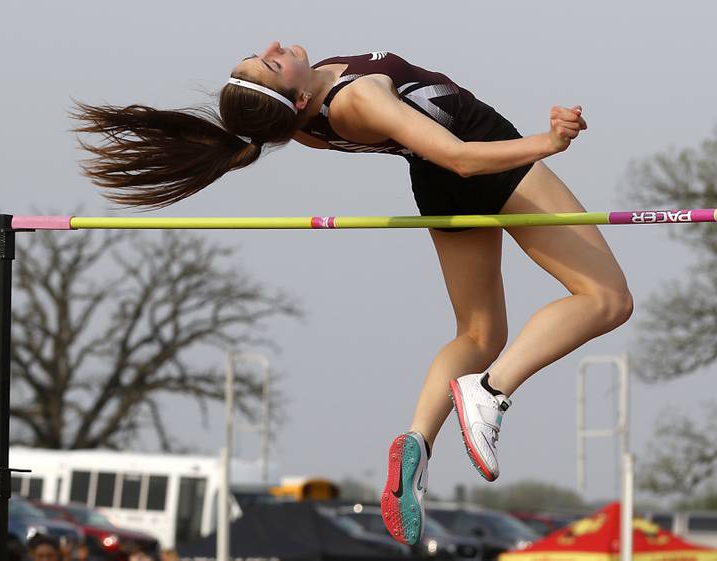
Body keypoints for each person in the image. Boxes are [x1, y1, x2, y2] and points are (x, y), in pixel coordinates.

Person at [73, 42, 632, 546]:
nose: (273, 46)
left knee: (479, 333)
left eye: (258, 54)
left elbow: (428, 154)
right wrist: (549, 142)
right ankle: (491, 391)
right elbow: (460, 156)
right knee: (606, 298)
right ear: (293, 100)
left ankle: (417, 442)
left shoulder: (302, 117)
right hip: (485, 160)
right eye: (269, 64)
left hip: (438, 183)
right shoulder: (356, 98)